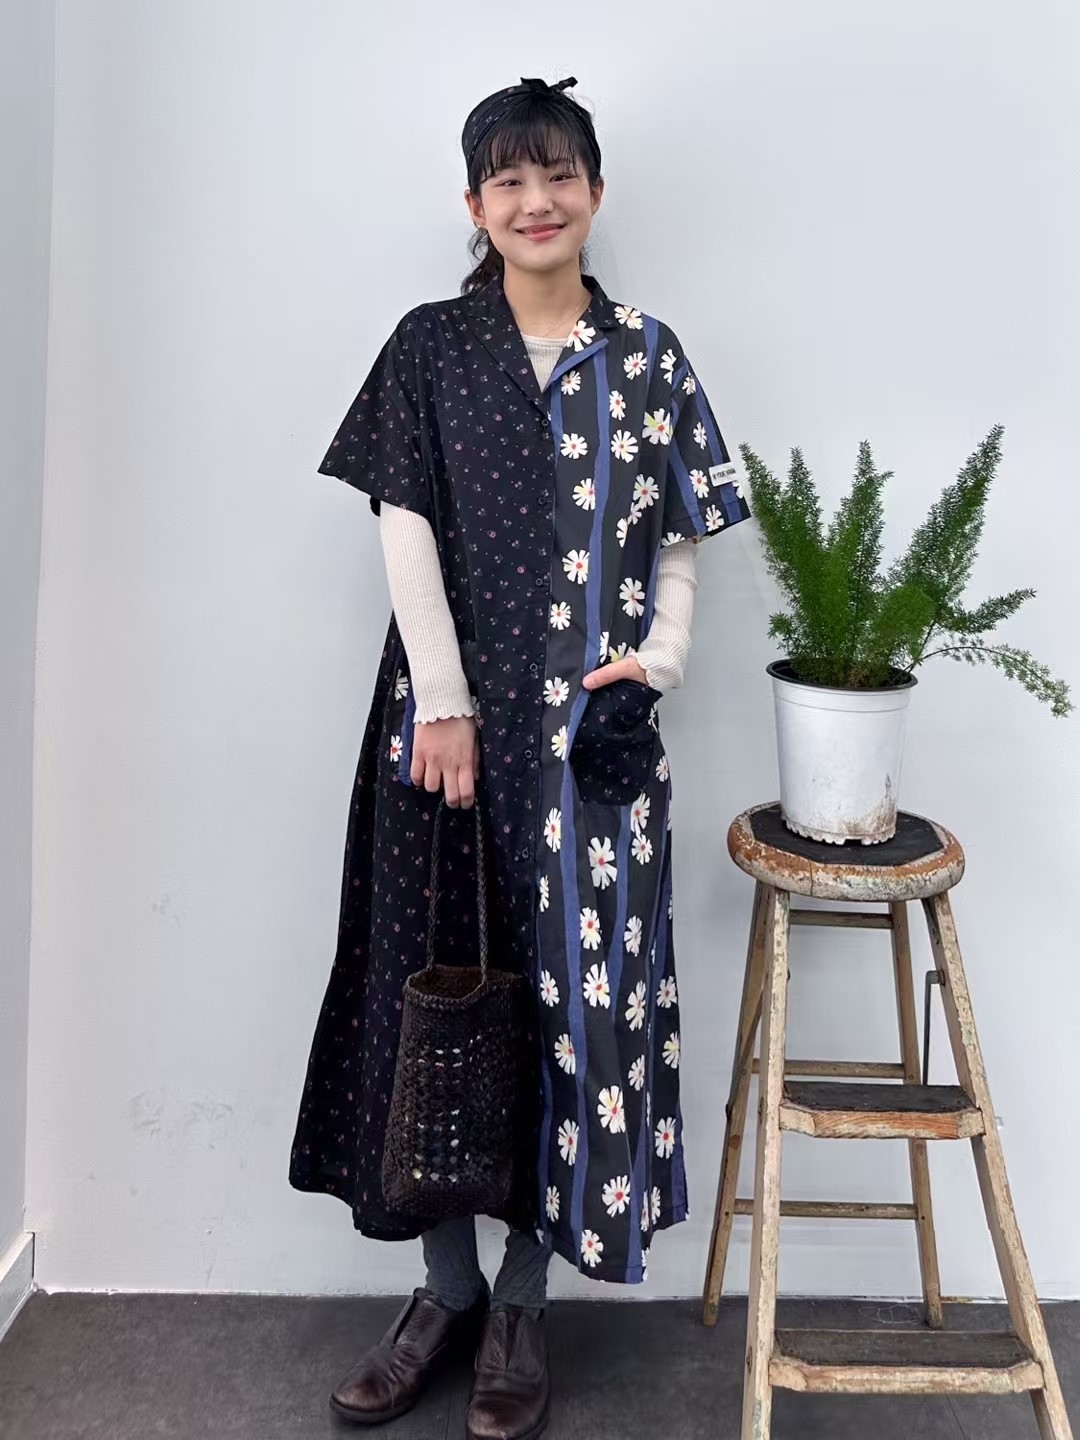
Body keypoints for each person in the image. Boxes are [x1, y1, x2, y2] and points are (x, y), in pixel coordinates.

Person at [289, 74, 751, 1439]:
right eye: (509, 180)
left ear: (595, 192)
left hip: (592, 749)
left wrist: (659, 662)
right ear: (475, 202)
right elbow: (404, 521)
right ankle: (442, 1292)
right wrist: (443, 700)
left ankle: (522, 1308)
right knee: (435, 988)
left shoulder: (648, 356)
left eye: (558, 176)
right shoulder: (431, 347)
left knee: (571, 1007)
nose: (536, 201)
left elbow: (676, 538)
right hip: (447, 736)